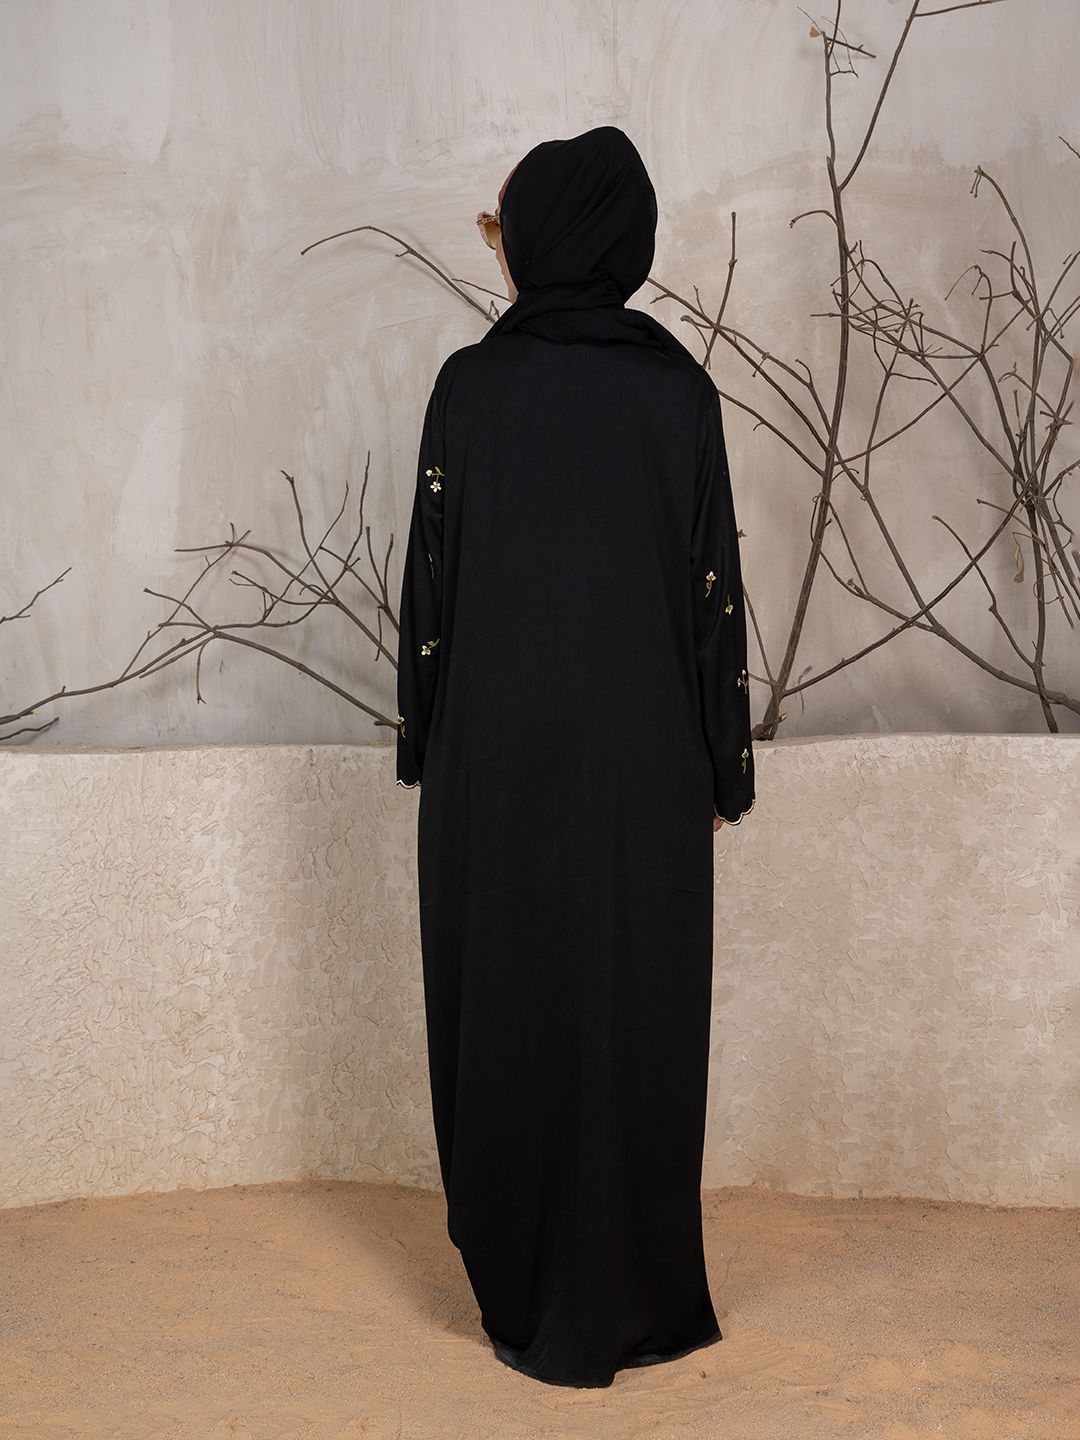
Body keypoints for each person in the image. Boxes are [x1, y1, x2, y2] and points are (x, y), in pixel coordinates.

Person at [394, 124, 755, 1389]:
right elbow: (713, 594)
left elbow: (429, 588)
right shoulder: (678, 393)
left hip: (493, 766)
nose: (502, 256)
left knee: (507, 1001)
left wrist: (423, 744)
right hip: (645, 767)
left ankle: (521, 1277)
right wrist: (722, 766)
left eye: (509, 232)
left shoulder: (470, 389)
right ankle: (638, 1290)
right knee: (636, 1006)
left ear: (550, 238)